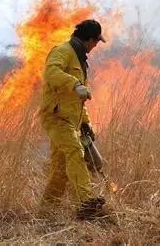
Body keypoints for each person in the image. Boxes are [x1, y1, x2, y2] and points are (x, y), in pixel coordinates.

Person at [40, 19, 107, 220]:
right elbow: (51, 73)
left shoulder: (79, 59)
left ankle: (46, 212)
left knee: (60, 171)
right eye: (96, 42)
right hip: (56, 117)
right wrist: (75, 84)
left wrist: (85, 123)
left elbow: (77, 102)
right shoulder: (62, 51)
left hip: (71, 120)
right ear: (88, 39)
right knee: (75, 152)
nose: (96, 46)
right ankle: (85, 203)